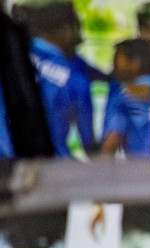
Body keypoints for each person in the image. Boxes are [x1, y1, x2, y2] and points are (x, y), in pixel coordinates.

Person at [26, 0, 101, 157]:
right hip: (50, 166)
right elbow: (88, 142)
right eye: (78, 28)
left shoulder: (12, 58)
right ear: (66, 29)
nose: (81, 38)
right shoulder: (75, 80)